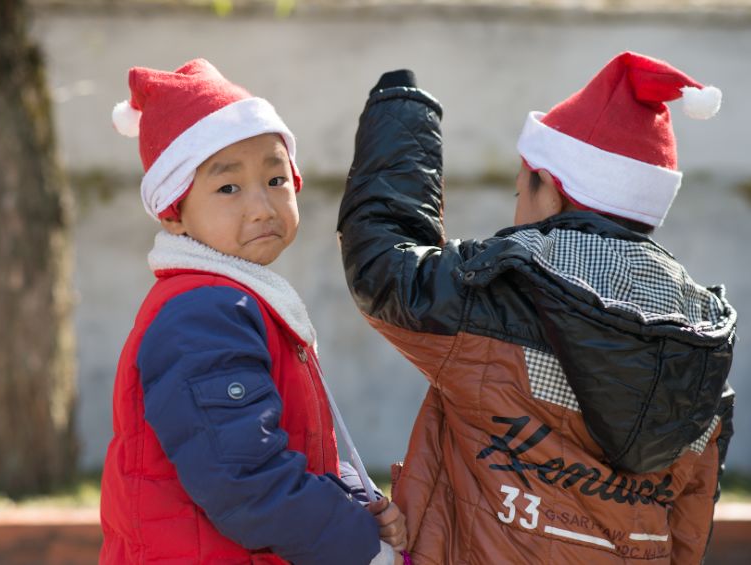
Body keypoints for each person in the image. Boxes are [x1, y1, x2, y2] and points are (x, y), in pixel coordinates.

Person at [337, 52, 736, 564]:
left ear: (550, 190)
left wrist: (402, 109)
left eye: (521, 186)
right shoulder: (701, 344)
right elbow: (690, 524)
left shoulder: (501, 290)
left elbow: (381, 264)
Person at [100, 58, 406, 565]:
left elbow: (289, 448)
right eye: (228, 188)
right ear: (174, 213)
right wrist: (357, 543)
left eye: (276, 179)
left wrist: (356, 505)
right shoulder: (204, 315)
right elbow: (243, 480)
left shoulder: (237, 300)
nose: (262, 206)